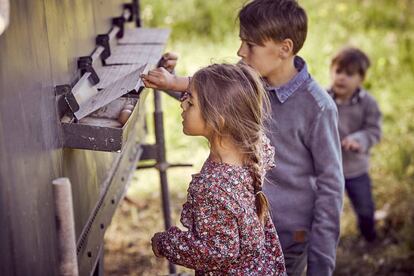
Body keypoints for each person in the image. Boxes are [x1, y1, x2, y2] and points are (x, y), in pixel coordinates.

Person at [143, 1, 344, 275]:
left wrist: (321, 267)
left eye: (250, 45)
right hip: (237, 236)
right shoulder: (247, 79)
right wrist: (171, 80)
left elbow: (330, 189)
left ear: (284, 48)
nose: (240, 51)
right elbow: (209, 103)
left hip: (285, 238)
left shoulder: (317, 108)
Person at [150, 63, 286, 275]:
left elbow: (217, 252)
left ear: (219, 122)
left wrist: (166, 244)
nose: (182, 104)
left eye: (191, 102)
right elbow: (235, 90)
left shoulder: (213, 188)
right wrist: (176, 82)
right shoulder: (254, 148)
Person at [328, 47, 382, 242]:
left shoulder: (368, 104)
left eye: (349, 74)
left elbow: (374, 131)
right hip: (329, 169)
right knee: (327, 210)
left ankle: (369, 237)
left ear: (361, 78)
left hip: (356, 169)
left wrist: (359, 140)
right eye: (338, 71)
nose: (341, 78)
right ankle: (327, 240)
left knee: (365, 208)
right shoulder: (323, 100)